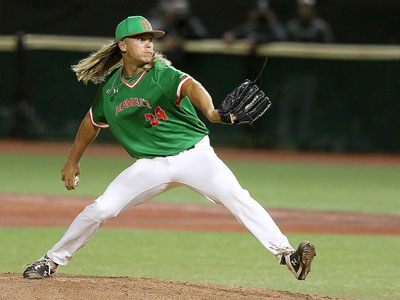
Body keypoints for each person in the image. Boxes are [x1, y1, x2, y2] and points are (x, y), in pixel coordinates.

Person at [22, 16, 315, 281]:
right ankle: (50, 261)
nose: (148, 43)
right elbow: (91, 122)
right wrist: (72, 160)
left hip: (195, 157)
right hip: (151, 166)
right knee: (101, 209)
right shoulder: (111, 89)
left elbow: (190, 85)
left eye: (150, 38)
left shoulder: (161, 72)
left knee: (238, 198)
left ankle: (289, 257)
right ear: (123, 46)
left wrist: (212, 112)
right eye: (140, 38)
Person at [278, 0, 334, 149]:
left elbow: (329, 53)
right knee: (287, 109)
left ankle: (304, 143)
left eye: (308, 7)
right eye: (303, 7)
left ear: (313, 8)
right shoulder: (291, 26)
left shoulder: (321, 28)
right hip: (291, 75)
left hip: (311, 76)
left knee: (307, 111)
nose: (305, 10)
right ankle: (282, 142)